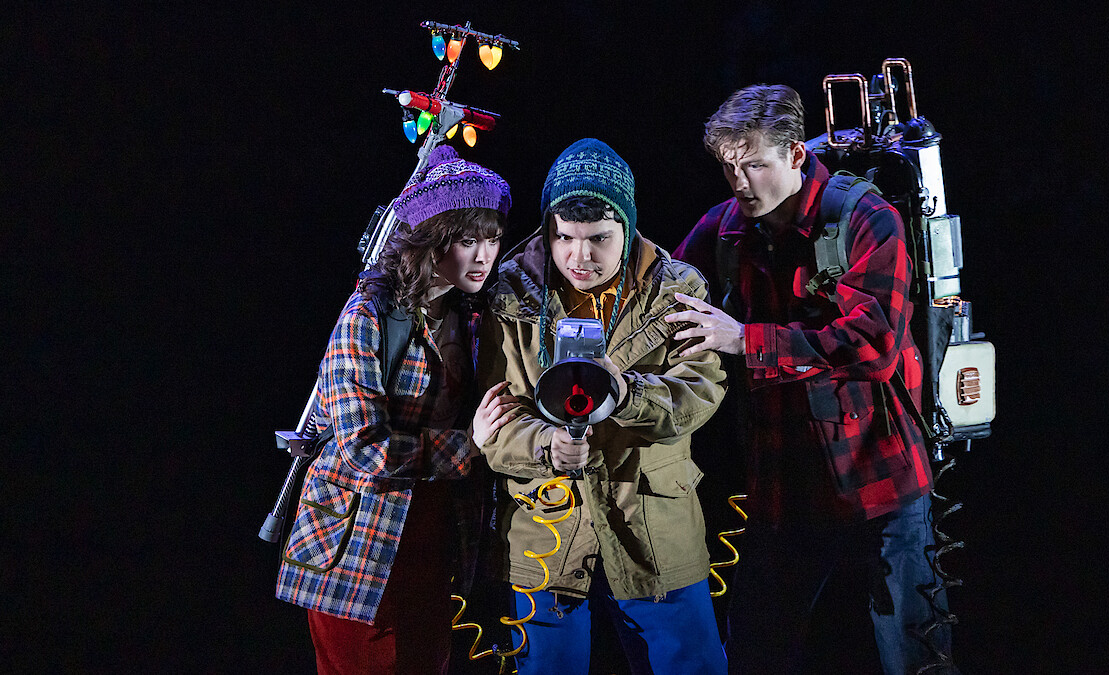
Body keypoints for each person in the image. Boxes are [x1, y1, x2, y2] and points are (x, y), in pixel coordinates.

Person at [668, 84, 957, 674]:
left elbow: (872, 343)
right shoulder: (724, 230)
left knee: (914, 657)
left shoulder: (865, 218)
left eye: (755, 164)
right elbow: (659, 290)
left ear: (796, 154)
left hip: (880, 482)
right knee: (755, 652)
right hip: (785, 487)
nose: (740, 182)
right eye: (729, 167)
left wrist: (745, 340)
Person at [477, 138, 727, 674]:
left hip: (653, 528)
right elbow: (494, 422)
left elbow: (699, 393)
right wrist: (546, 444)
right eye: (564, 237)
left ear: (629, 227)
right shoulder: (511, 294)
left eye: (598, 239)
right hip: (545, 534)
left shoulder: (676, 291)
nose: (579, 256)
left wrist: (627, 392)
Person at [274, 145, 520, 675]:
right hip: (357, 543)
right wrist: (468, 444)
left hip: (430, 543)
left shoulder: (465, 315)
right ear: (431, 239)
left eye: (493, 238)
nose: (484, 255)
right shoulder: (369, 313)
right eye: (466, 239)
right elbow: (363, 448)